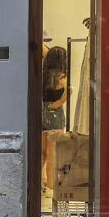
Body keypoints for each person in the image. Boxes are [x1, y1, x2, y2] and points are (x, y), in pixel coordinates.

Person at [41, 44, 68, 193]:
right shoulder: (62, 77)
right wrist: (56, 104)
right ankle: (52, 184)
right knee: (54, 153)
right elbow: (64, 97)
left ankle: (40, 182)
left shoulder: (43, 76)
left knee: (42, 153)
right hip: (56, 117)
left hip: (41, 114)